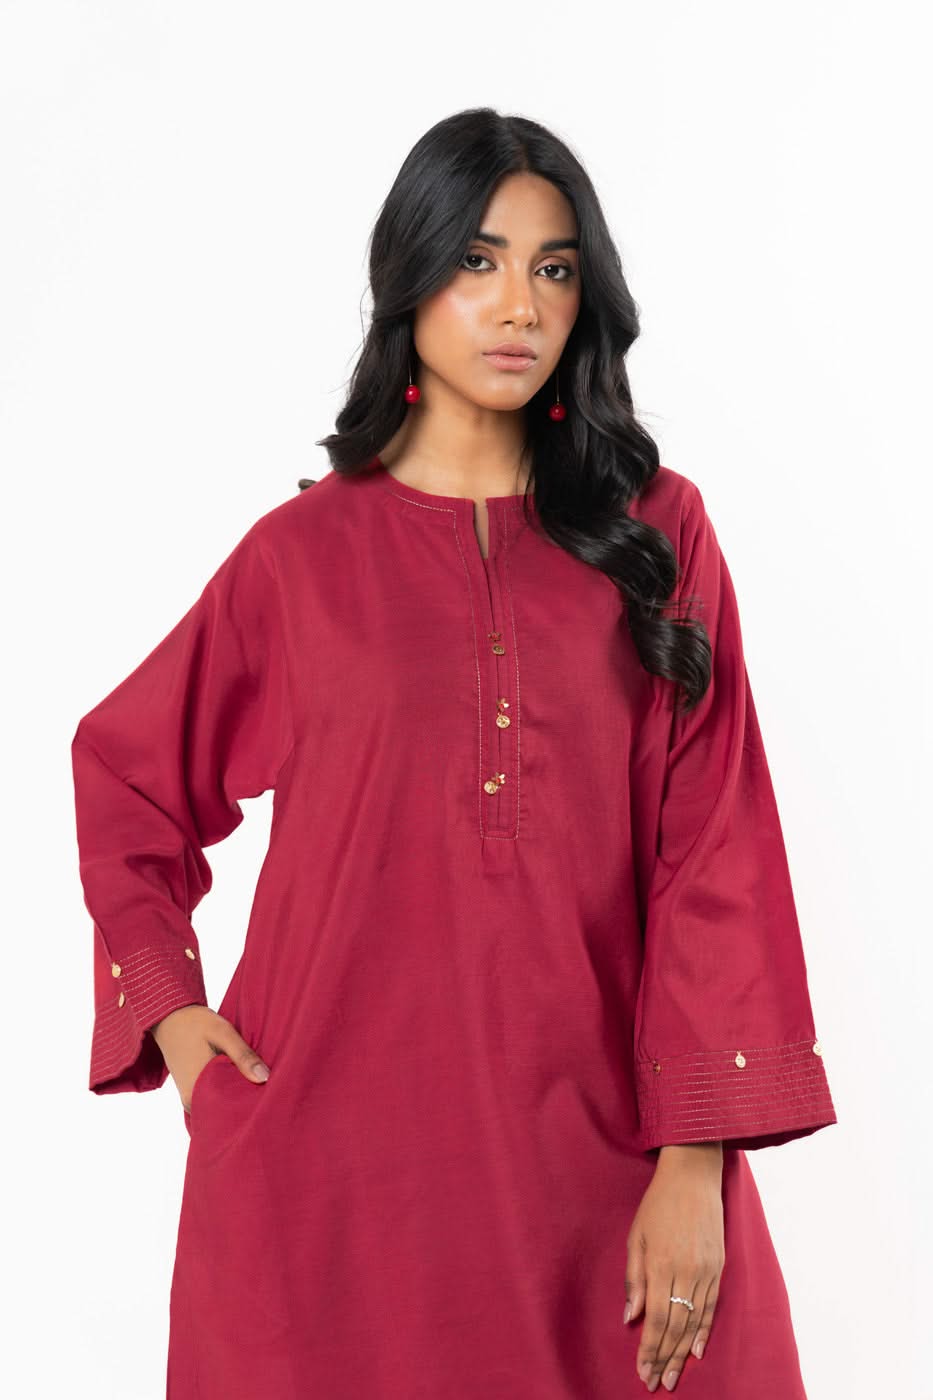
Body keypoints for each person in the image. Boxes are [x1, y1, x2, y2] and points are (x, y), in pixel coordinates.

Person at [70, 108, 837, 1399]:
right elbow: (127, 775)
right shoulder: (299, 561)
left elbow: (712, 848)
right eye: (478, 261)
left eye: (553, 268)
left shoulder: (655, 536)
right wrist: (176, 1019)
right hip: (328, 1186)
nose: (519, 306)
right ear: (410, 275)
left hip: (611, 1175)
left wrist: (695, 1158)